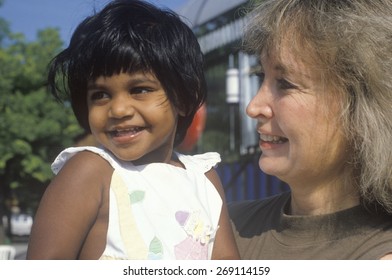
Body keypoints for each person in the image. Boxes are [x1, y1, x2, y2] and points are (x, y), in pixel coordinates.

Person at [27, 0, 239, 260]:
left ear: (183, 99)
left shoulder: (204, 179)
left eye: (139, 89)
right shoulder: (90, 171)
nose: (118, 110)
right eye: (101, 94)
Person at [229, 0, 392, 259]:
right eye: (262, 77)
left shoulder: (378, 256)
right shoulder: (218, 229)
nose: (253, 107)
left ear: (363, 106)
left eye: (285, 83)